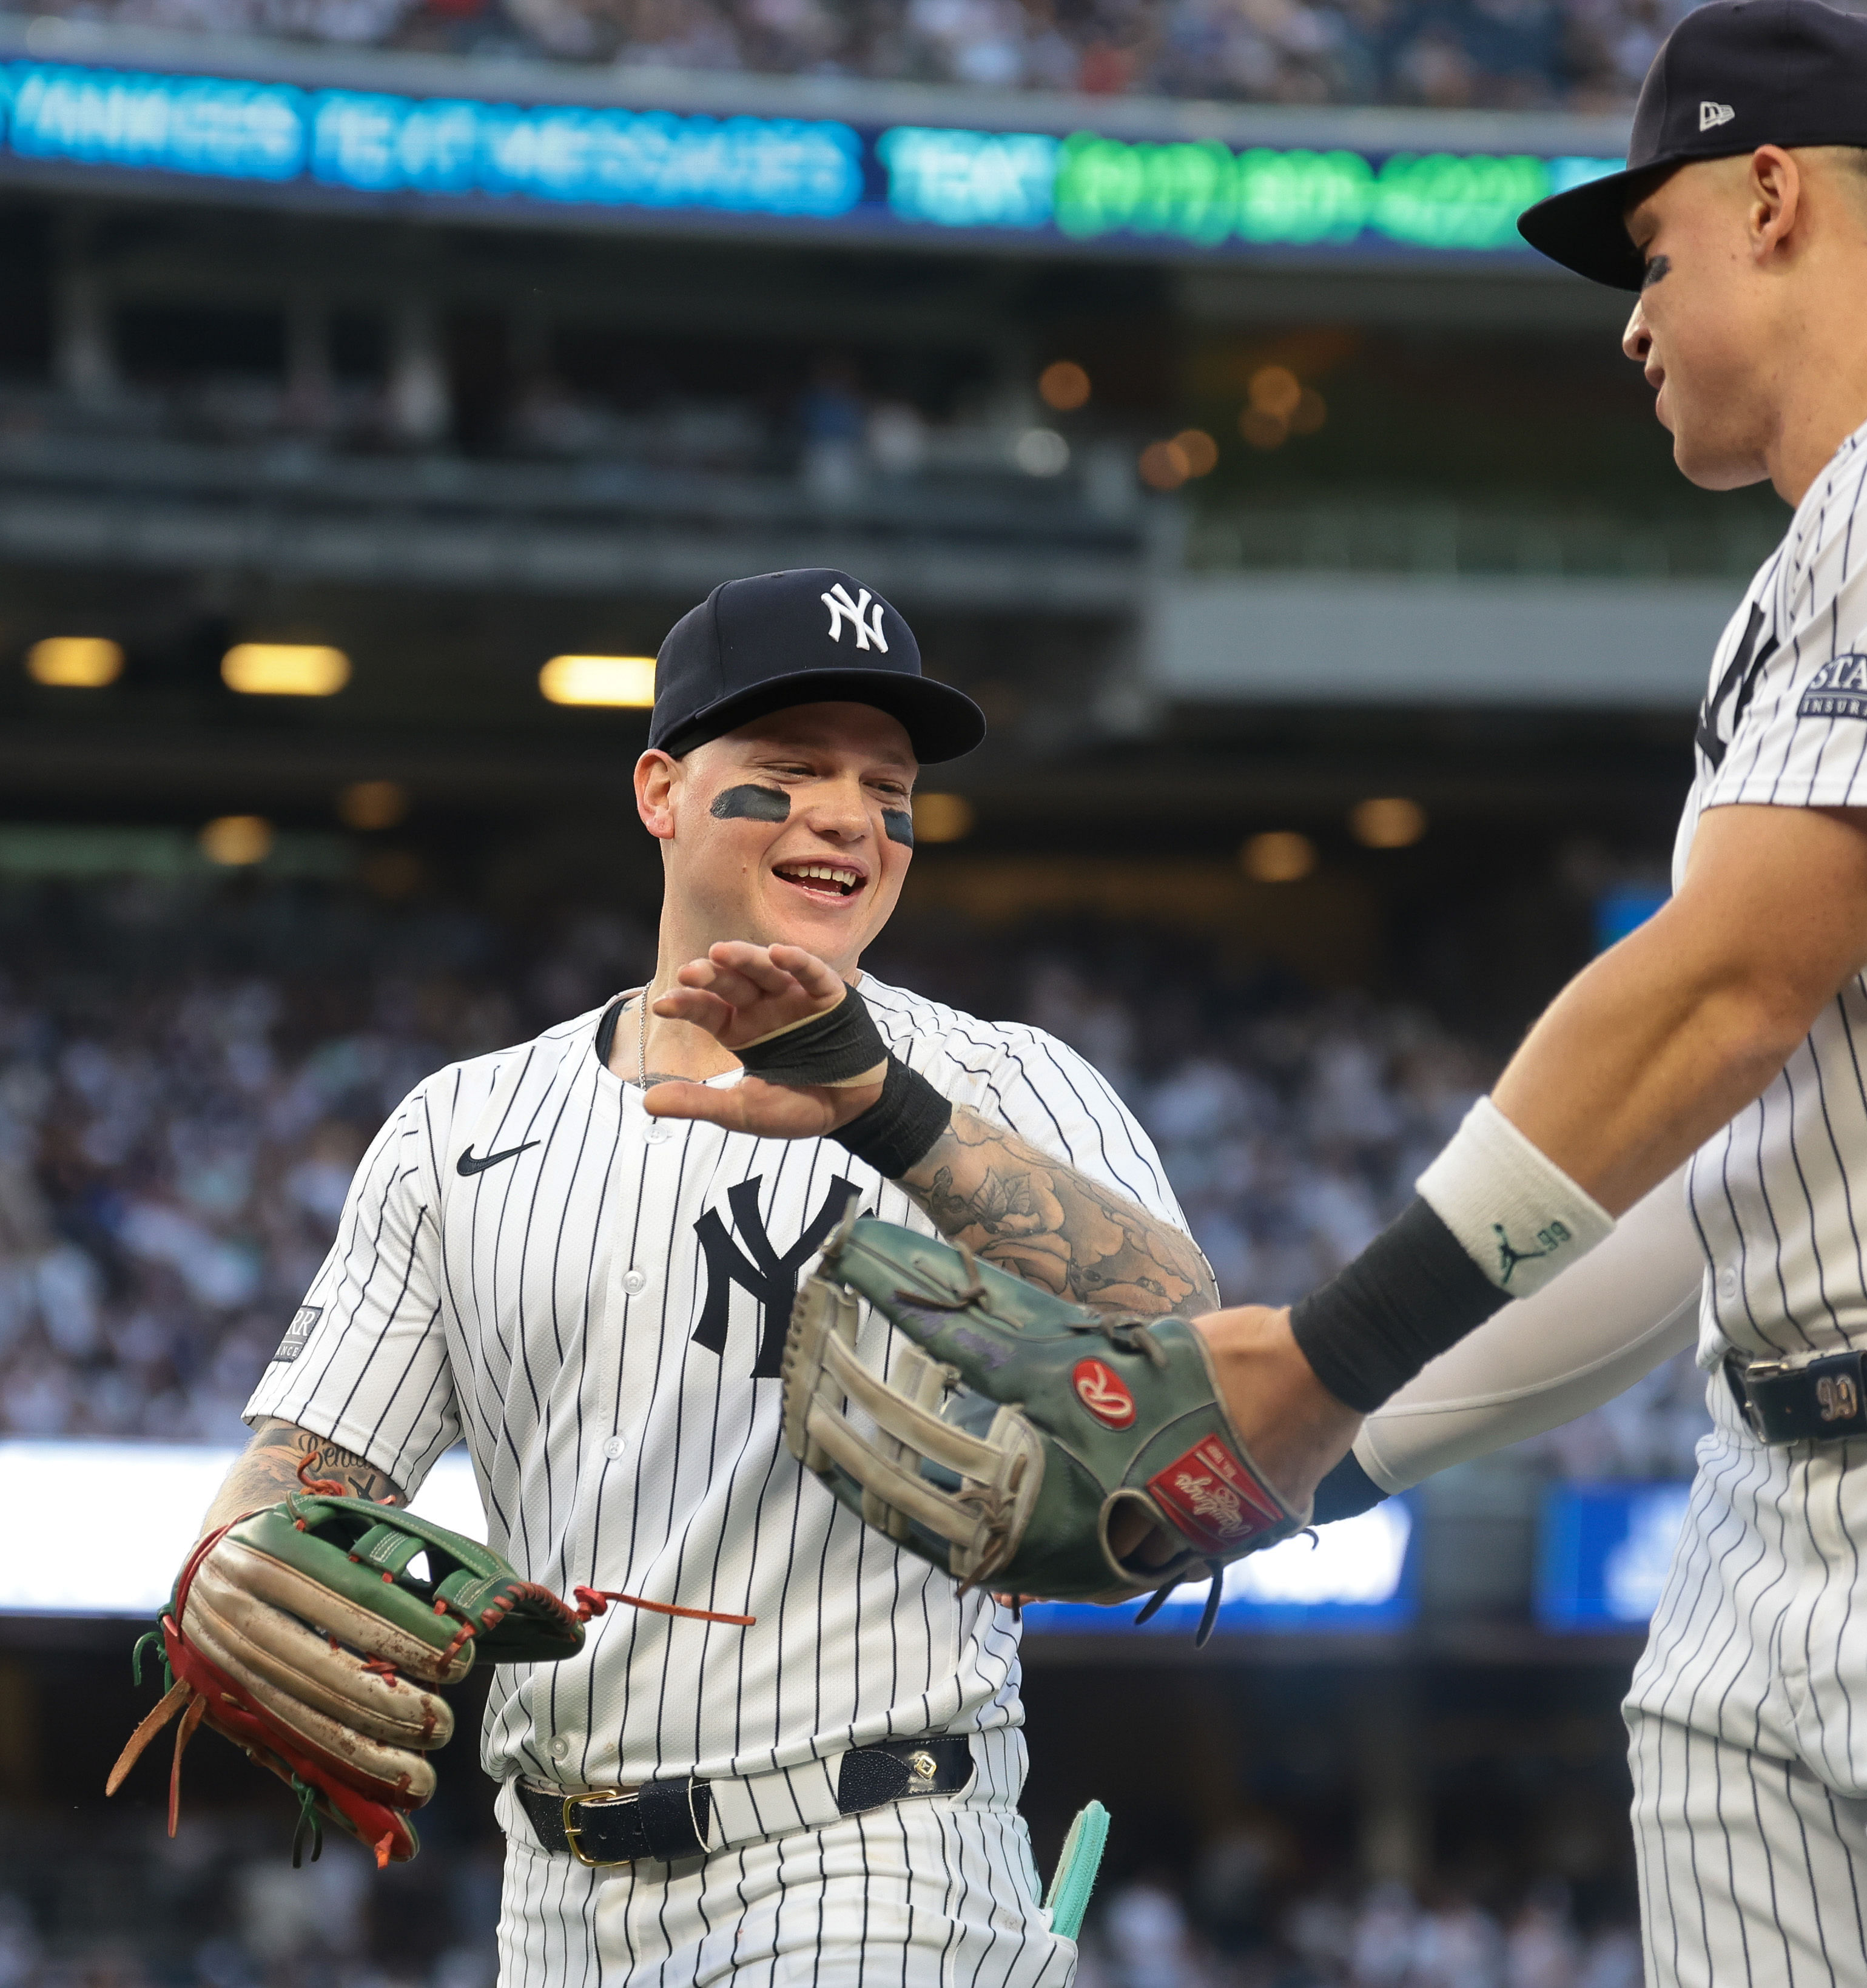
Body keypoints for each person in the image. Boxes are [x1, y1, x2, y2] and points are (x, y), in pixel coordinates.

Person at [1078, 4, 1867, 1981]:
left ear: (1775, 196)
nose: (1630, 316)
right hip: (1778, 1513)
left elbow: (1726, 988)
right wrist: (1314, 1460)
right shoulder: (1811, 588)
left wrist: (1329, 1350)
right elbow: (1709, 1174)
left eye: (1653, 244)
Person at [183, 567, 1209, 1985]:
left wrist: (892, 1117)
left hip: (874, 1851)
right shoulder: (461, 1125)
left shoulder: (1000, 1081)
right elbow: (309, 1474)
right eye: (788, 772)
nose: (850, 815)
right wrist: (228, 1557)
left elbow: (1201, 1355)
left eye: (886, 786)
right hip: (550, 1897)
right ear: (662, 790)